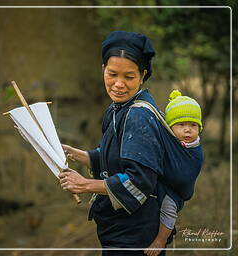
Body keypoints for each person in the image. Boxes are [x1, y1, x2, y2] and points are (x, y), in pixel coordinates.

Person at [58, 31, 203, 256]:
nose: (118, 84)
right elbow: (115, 157)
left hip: (136, 234)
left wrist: (85, 184)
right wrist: (77, 154)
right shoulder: (118, 108)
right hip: (119, 229)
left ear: (143, 75)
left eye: (129, 77)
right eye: (112, 74)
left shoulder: (138, 115)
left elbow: (139, 181)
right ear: (102, 68)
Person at [144, 90, 203, 256]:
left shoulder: (193, 148)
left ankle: (160, 240)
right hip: (161, 183)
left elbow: (186, 170)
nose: (188, 130)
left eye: (193, 125)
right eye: (181, 125)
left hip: (175, 192)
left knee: (168, 209)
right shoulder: (169, 140)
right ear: (170, 128)